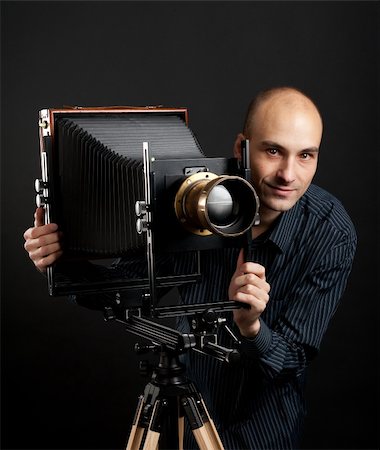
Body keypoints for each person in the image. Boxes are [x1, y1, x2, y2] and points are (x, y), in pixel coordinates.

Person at [24, 87, 357, 449]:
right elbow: (125, 287)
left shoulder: (330, 232)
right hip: (185, 413)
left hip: (266, 430)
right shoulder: (192, 201)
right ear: (241, 148)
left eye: (306, 155)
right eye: (273, 151)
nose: (288, 175)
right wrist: (60, 264)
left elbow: (293, 361)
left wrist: (251, 328)